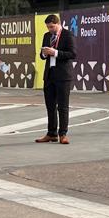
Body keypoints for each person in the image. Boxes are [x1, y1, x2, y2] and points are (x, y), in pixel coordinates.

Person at [35, 13, 76, 144]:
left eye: (52, 26)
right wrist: (44, 53)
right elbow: (42, 56)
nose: (50, 29)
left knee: (63, 106)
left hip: (63, 75)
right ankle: (51, 133)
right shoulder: (47, 36)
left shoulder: (67, 35)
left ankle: (62, 134)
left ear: (58, 24)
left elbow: (73, 54)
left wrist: (56, 53)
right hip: (49, 75)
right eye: (48, 27)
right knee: (50, 106)